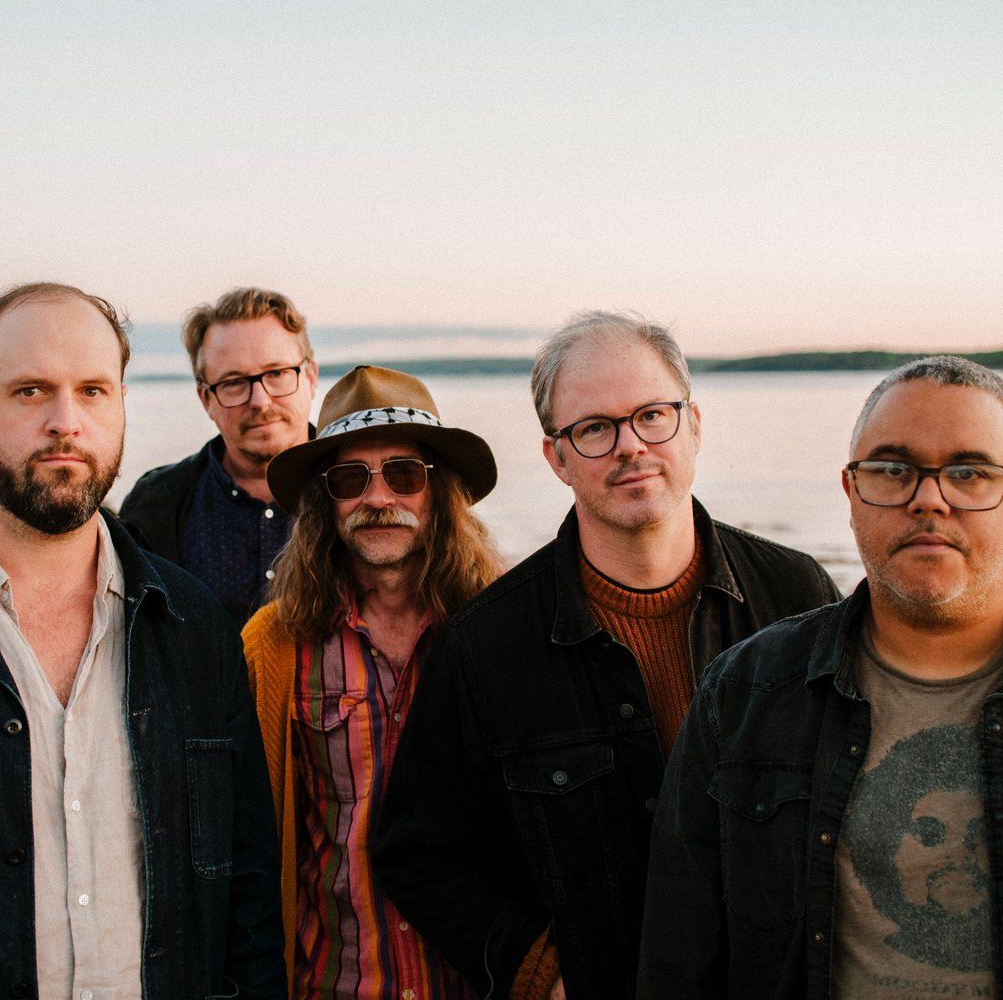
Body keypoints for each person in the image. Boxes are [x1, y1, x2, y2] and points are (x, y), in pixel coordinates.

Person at [372, 311, 840, 1000]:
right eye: (594, 428)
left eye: (652, 415)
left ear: (694, 424)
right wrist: (538, 971)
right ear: (556, 458)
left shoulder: (799, 597)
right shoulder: (487, 644)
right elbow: (419, 852)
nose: (631, 446)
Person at [636, 355, 1003, 999]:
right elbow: (679, 957)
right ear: (850, 493)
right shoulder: (746, 693)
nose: (929, 499)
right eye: (892, 470)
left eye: (970, 473)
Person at [0, 283, 285, 998]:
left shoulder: (195, 626)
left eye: (92, 391)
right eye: (29, 391)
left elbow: (245, 890)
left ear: (121, 404)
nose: (66, 422)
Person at [242, 364, 502, 998]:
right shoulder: (273, 646)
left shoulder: (500, 631)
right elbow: (247, 843)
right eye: (350, 478)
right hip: (332, 982)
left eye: (405, 475)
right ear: (323, 501)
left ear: (440, 492)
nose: (378, 498)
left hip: (476, 984)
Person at [121, 286, 318, 625]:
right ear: (206, 399)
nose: (260, 401)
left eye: (276, 373)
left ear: (310, 378)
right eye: (233, 382)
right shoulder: (155, 508)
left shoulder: (365, 488)